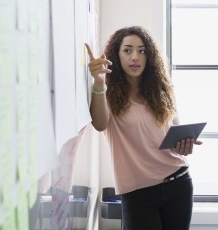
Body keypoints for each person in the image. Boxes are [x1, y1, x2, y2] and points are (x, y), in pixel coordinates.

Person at [85, 26, 201, 230]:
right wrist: (99, 81)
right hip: (137, 193)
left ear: (150, 56)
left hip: (178, 183)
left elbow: (172, 139)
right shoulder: (107, 92)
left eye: (142, 50)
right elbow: (100, 124)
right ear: (116, 55)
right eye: (128, 50)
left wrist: (185, 145)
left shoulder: (162, 91)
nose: (135, 57)